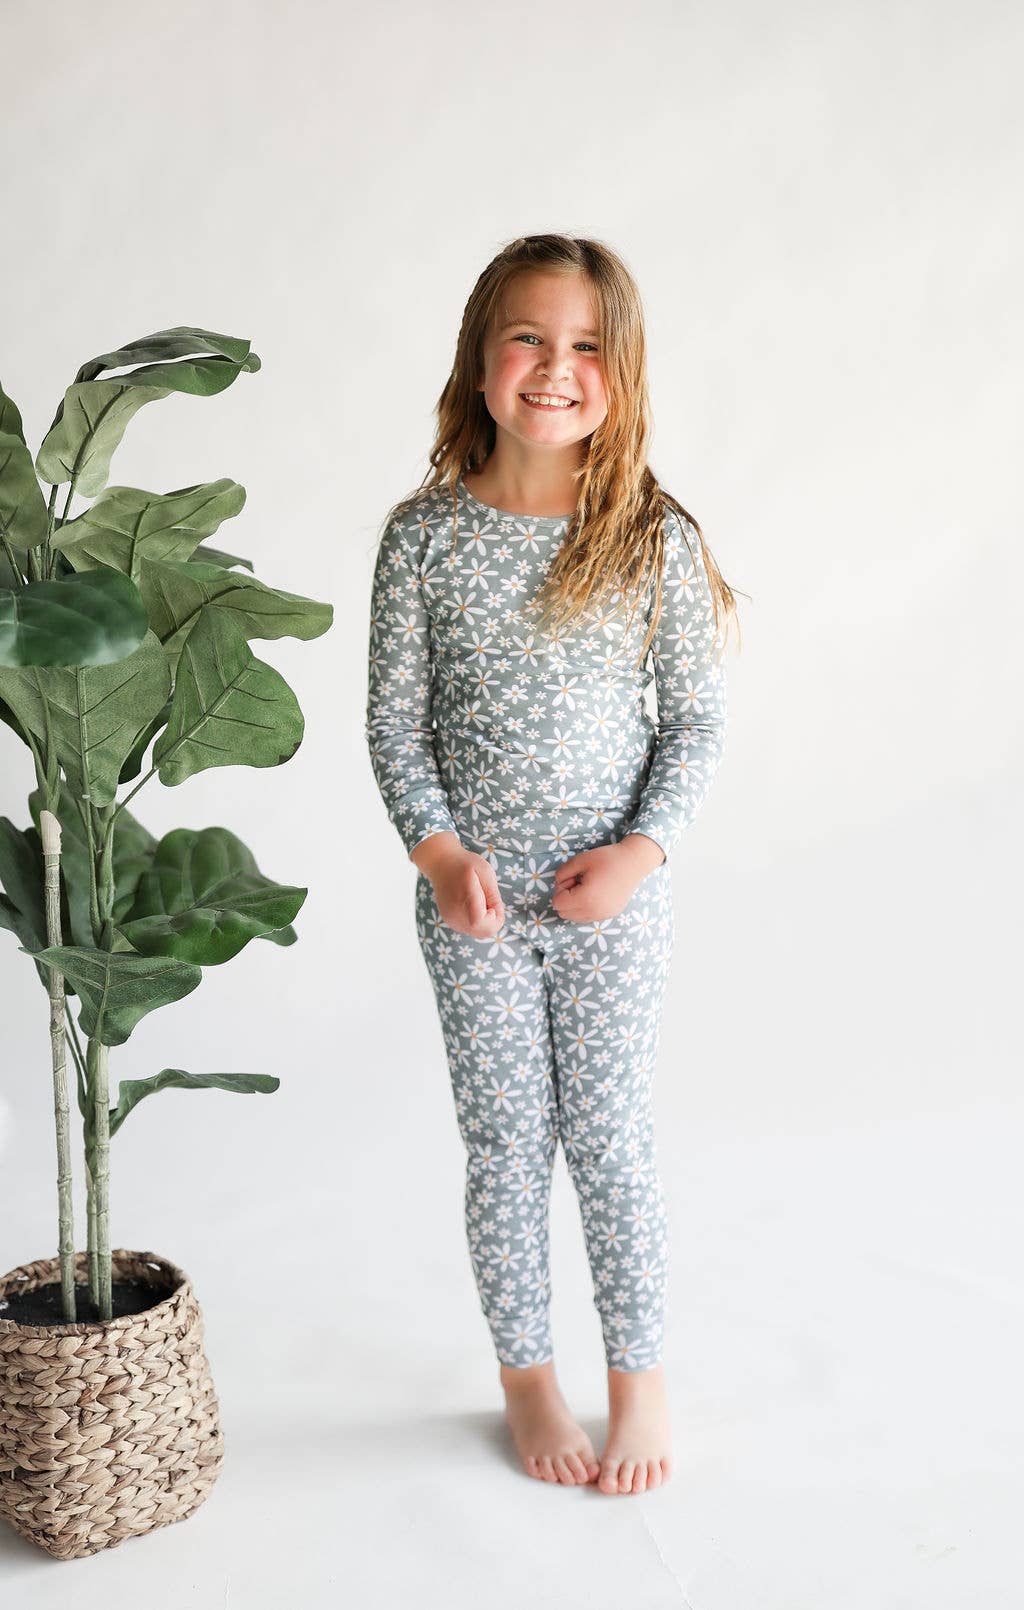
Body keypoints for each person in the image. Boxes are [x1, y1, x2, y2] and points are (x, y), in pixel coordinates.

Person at [364, 233, 737, 1496]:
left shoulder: (648, 538)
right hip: (471, 910)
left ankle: (639, 1376)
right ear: (480, 360)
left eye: (585, 346)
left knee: (611, 1139)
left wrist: (637, 853)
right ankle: (526, 1372)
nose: (554, 367)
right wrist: (439, 854)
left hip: (610, 910)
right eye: (527, 337)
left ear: (619, 374)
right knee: (505, 1145)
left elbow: (694, 725)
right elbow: (395, 727)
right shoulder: (422, 539)